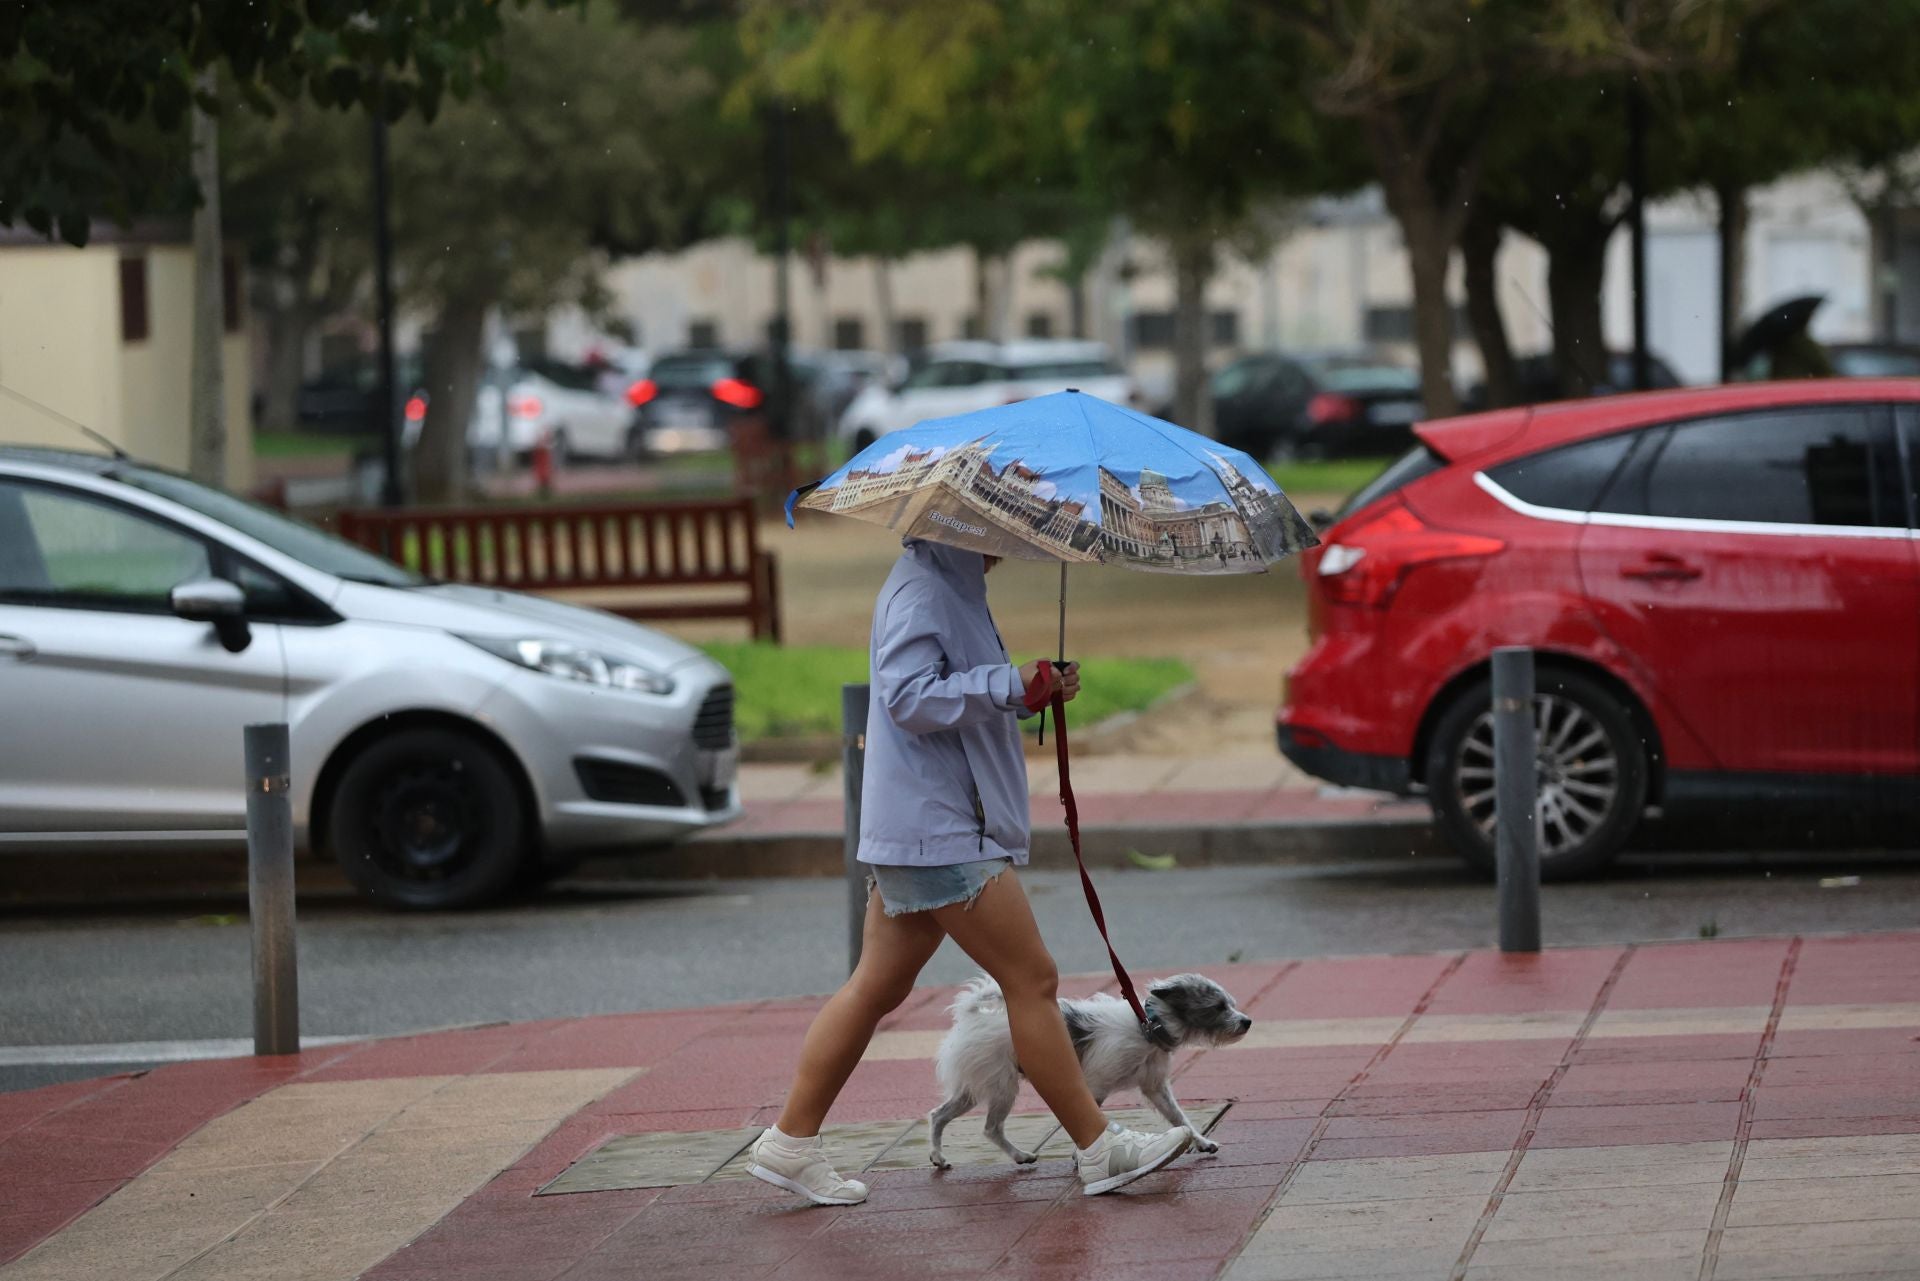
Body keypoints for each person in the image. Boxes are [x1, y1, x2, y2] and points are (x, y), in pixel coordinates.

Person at [746, 539, 1195, 1205]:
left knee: (874, 987)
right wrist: (1011, 683)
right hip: (941, 828)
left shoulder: (948, 583)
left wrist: (1028, 690)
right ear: (962, 522)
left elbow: (952, 695)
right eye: (1001, 525)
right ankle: (1100, 1147)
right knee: (1032, 979)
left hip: (924, 824)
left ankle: (790, 1140)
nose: (1013, 539)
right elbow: (906, 697)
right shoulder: (926, 589)